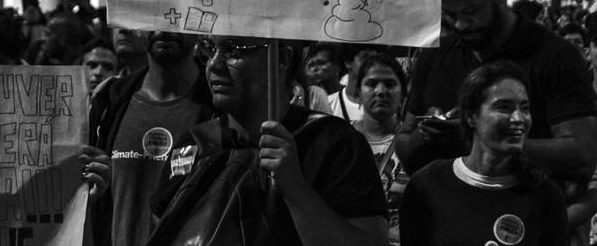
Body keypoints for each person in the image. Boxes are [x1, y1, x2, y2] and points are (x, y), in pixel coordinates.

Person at [395, 0, 597, 239]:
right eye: (450, 15)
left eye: (471, 12)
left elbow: (583, 152)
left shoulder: (554, 56)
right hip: (447, 224)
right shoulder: (435, 56)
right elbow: (405, 143)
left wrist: (494, 140)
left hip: (527, 224)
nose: (461, 24)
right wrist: (425, 134)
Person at [146, 36, 388, 246]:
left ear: (281, 59)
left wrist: (295, 189)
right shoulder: (193, 144)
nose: (214, 65)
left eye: (233, 51)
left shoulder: (333, 143)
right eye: (210, 49)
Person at [399, 61, 567, 245]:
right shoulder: (427, 184)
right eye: (504, 108)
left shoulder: (546, 196)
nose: (518, 118)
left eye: (525, 108)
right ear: (472, 116)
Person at [82, 31, 213, 246]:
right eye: (155, 14)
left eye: (175, 14)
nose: (164, 28)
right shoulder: (110, 101)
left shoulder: (219, 105)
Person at [353, 51, 409, 246]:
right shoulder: (342, 140)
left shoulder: (414, 142)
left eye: (390, 84)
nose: (381, 91)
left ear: (403, 93)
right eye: (371, 83)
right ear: (358, 93)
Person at [304, 42, 362, 121]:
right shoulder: (310, 99)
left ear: (337, 65)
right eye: (311, 65)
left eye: (321, 63)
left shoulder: (353, 96)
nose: (315, 69)